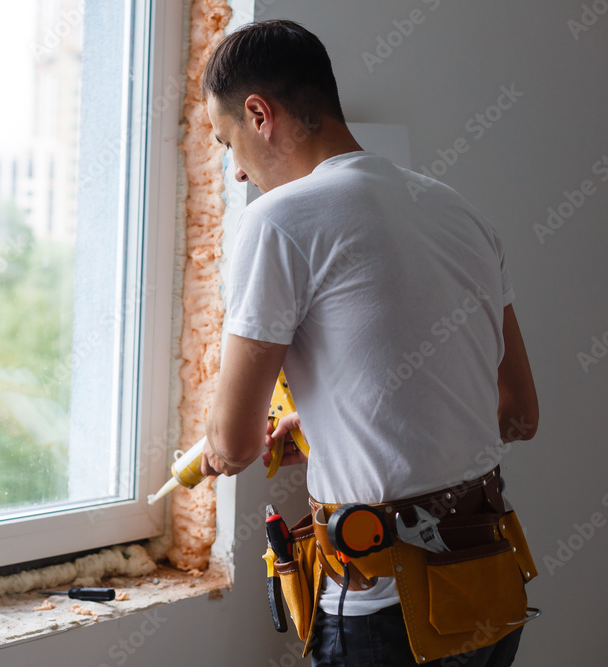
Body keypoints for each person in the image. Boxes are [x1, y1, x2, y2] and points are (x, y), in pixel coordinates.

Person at [197, 19, 539, 667]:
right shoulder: (460, 213)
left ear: (259, 113)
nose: (235, 173)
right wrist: (342, 421)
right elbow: (519, 409)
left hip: (389, 616)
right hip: (489, 589)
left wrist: (214, 450)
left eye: (227, 143)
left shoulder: (279, 221)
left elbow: (237, 442)